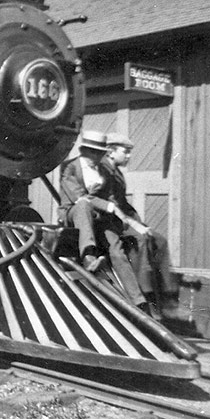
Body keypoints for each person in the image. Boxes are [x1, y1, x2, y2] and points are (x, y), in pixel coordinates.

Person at [59, 130, 148, 312]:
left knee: (116, 249)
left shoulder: (104, 171)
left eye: (100, 153)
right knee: (84, 206)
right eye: (93, 152)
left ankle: (138, 301)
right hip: (74, 213)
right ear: (84, 151)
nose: (97, 157)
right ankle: (89, 256)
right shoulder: (70, 168)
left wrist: (125, 219)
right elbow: (79, 197)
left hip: (99, 216)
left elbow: (112, 198)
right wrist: (109, 206)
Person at [102, 132, 181, 317]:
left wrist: (138, 221)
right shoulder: (103, 170)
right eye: (126, 152)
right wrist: (133, 225)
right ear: (111, 152)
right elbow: (109, 205)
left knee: (159, 240)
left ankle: (167, 295)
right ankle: (145, 294)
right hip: (107, 223)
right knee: (141, 240)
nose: (129, 156)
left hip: (121, 219)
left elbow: (123, 203)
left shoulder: (117, 172)